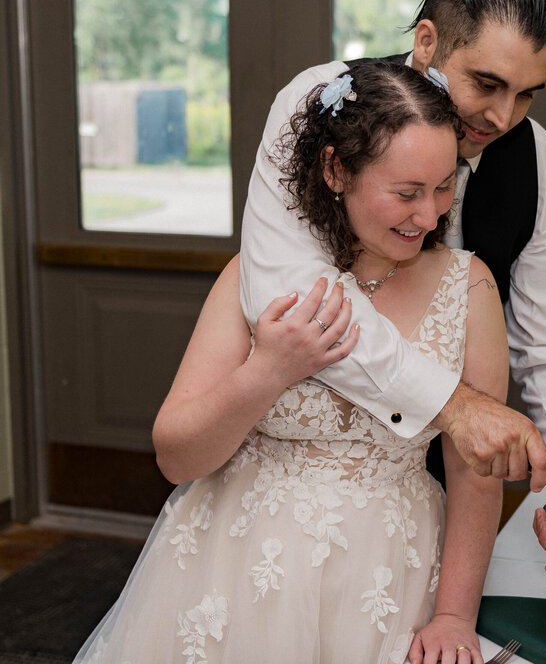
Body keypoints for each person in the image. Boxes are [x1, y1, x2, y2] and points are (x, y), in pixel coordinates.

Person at [74, 61, 507, 664]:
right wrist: (268, 371)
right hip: (235, 571)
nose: (431, 216)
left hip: (387, 577)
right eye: (406, 193)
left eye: (443, 187)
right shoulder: (254, 279)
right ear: (335, 169)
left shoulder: (471, 288)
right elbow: (175, 457)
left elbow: (474, 470)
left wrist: (455, 614)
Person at [240, 0, 546, 569]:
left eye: (526, 95)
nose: (502, 116)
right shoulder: (317, 107)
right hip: (300, 484)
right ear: (428, 40)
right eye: (487, 84)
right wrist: (456, 406)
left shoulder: (544, 171)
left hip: (455, 491)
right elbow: (293, 299)